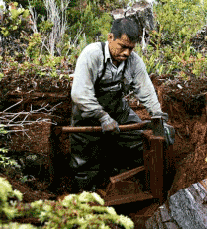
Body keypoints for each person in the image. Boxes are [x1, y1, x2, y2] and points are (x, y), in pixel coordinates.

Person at [69, 17, 174, 192]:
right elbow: (80, 94)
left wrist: (158, 117)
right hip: (87, 115)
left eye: (131, 48)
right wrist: (102, 117)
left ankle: (129, 179)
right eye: (122, 46)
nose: (126, 53)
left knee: (141, 140)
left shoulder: (133, 61)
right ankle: (85, 197)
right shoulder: (92, 54)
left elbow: (145, 89)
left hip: (118, 111)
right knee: (84, 161)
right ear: (110, 37)